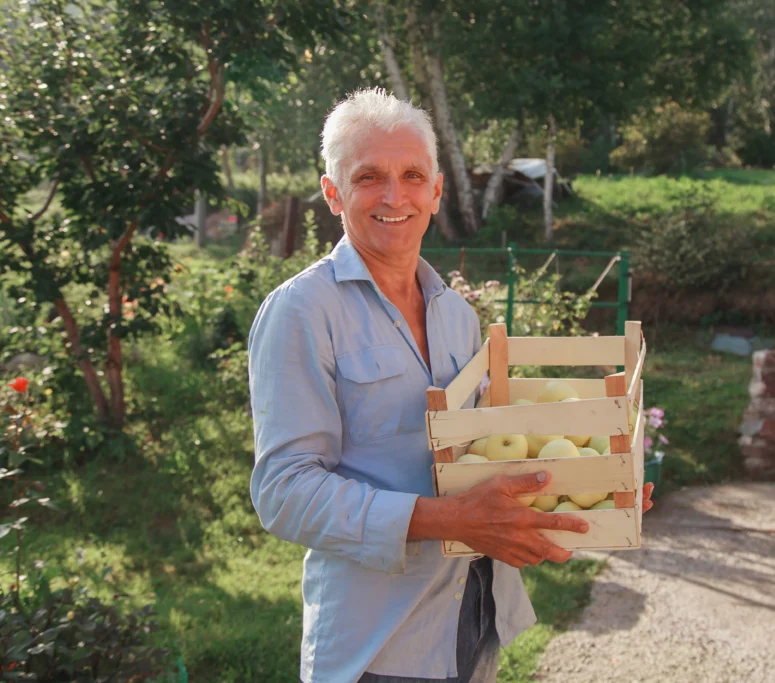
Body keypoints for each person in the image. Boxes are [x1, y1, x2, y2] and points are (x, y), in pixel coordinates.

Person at [247, 88, 654, 683]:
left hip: (476, 614)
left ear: (436, 191)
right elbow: (284, 492)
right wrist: (445, 519)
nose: (395, 196)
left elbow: (481, 455)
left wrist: (594, 485)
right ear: (333, 193)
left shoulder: (455, 314)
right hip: (380, 644)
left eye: (412, 175)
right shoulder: (302, 312)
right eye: (368, 177)